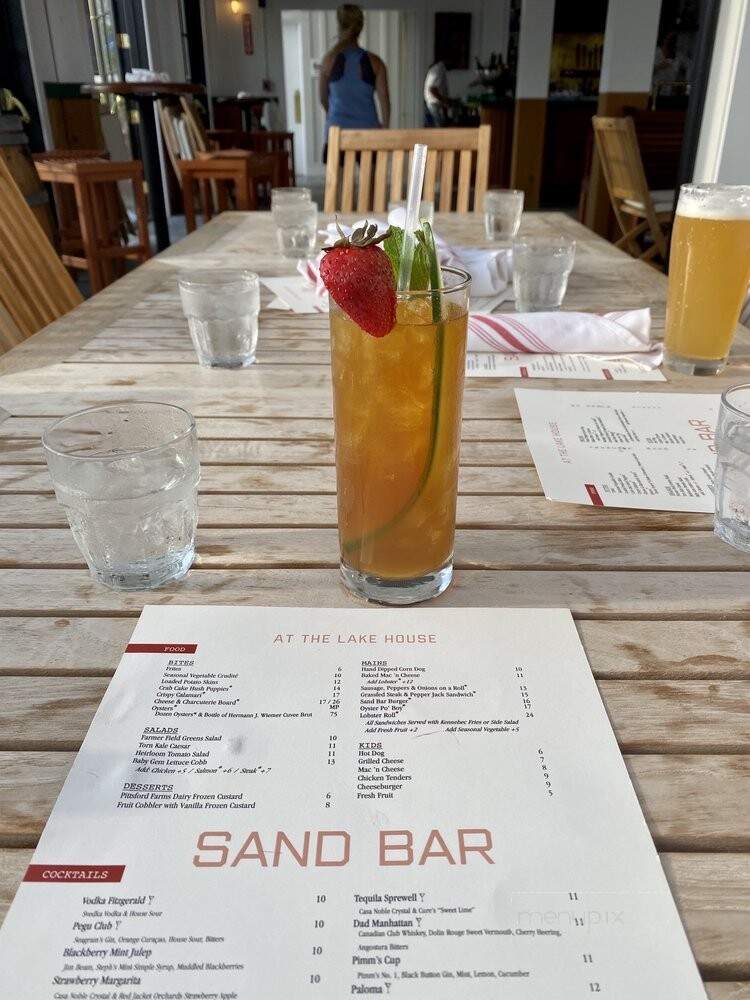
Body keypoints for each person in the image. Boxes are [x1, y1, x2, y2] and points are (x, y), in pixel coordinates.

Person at [319, 5, 390, 162]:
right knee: (372, 186)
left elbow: (323, 99)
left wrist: (337, 116)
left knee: (337, 186)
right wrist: (385, 130)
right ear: (361, 27)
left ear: (339, 25)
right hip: (368, 134)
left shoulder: (328, 60)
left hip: (337, 134)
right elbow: (384, 101)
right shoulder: (375, 62)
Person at [424, 58, 451, 126]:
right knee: (438, 128)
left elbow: (442, 89)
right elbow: (432, 89)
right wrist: (444, 100)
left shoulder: (441, 69)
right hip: (433, 103)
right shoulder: (438, 70)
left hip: (435, 103)